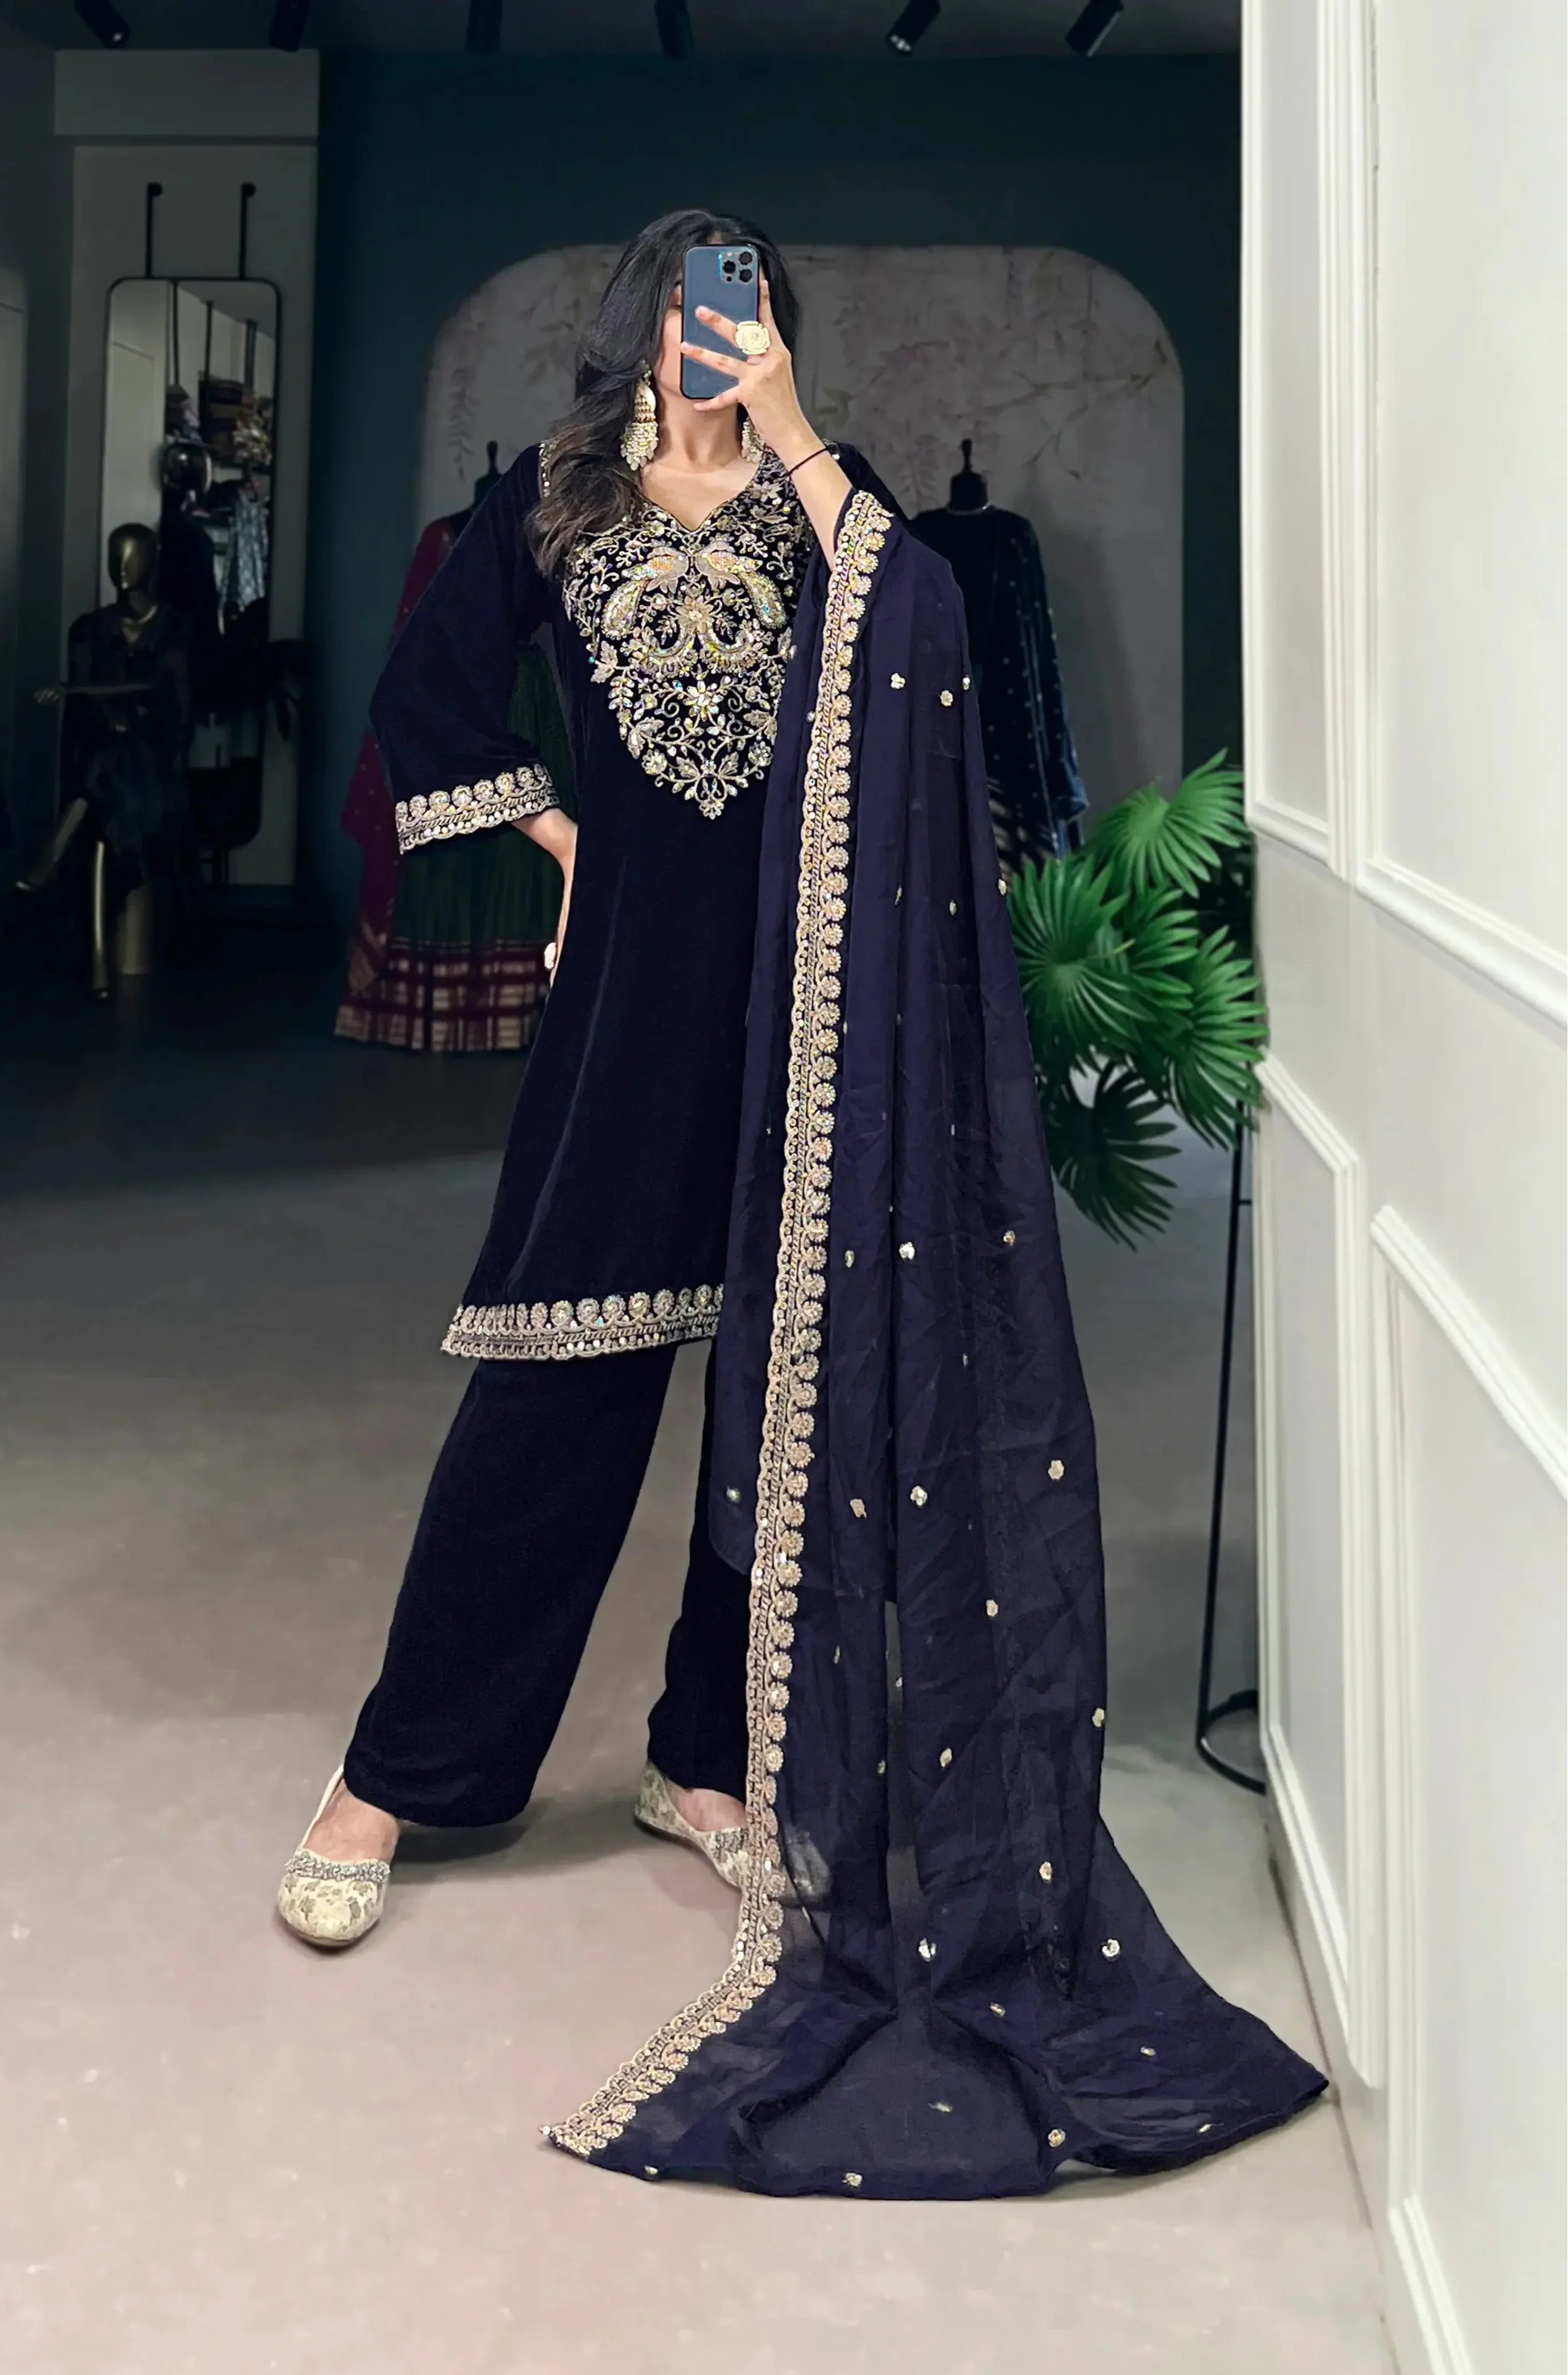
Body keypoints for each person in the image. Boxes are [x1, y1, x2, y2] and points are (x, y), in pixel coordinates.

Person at [277, 211, 1326, 2199]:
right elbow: (428, 700)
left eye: (749, 302)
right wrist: (561, 838)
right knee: (555, 1385)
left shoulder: (822, 507)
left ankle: (701, 1749)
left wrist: (795, 430)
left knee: (780, 1389)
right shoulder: (553, 498)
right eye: (696, 301)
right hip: (627, 1012)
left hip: (801, 1006)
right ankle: (394, 1773)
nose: (719, 327)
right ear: (636, 320)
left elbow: (922, 624)